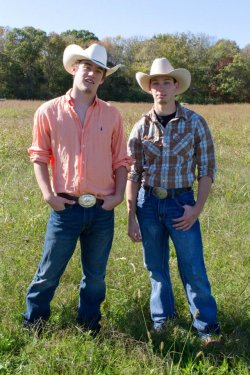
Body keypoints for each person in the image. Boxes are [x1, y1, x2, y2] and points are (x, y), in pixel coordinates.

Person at [23, 43, 131, 334]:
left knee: (95, 277)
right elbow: (39, 156)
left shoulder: (112, 115)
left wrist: (118, 196)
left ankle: (89, 325)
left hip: (101, 210)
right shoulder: (48, 111)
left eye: (98, 70)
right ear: (74, 68)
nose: (92, 74)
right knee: (48, 272)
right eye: (87, 67)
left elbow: (121, 160)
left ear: (103, 78)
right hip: (65, 208)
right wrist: (48, 195)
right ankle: (34, 324)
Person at [126, 57, 221, 344]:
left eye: (167, 82)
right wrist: (131, 216)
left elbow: (206, 169)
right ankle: (162, 322)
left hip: (181, 203)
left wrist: (197, 209)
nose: (161, 88)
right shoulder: (141, 126)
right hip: (149, 204)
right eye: (156, 83)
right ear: (150, 88)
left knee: (192, 266)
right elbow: (133, 172)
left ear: (176, 86)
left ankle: (206, 327)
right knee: (156, 267)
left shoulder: (195, 122)